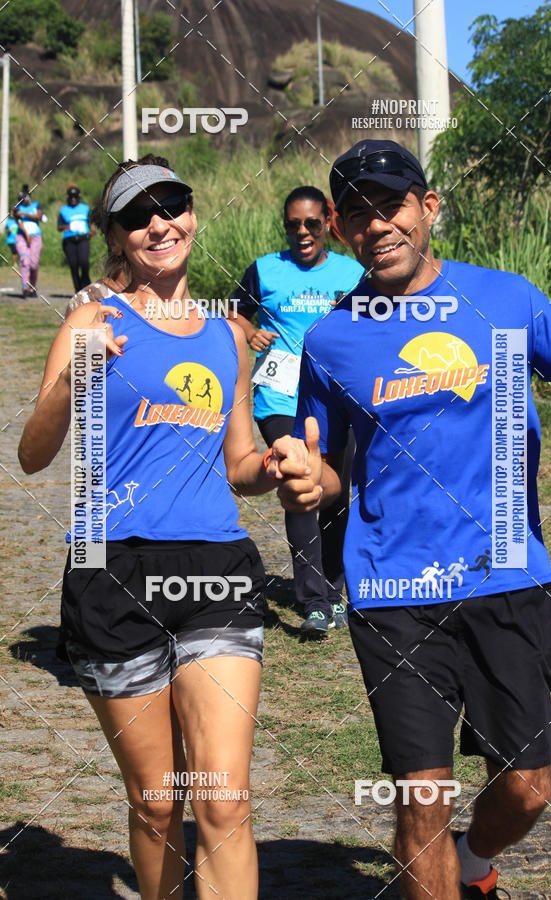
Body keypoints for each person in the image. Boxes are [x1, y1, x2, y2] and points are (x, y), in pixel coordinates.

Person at [279, 139, 551, 899]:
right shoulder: (330, 340)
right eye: (355, 212)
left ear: (427, 208)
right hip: (393, 590)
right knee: (422, 802)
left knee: (527, 788)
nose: (376, 224)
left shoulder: (507, 299)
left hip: (507, 575)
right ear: (339, 227)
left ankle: (476, 864)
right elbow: (325, 469)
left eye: (390, 204)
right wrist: (304, 481)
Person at [18, 154, 308, 900]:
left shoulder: (227, 336)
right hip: (112, 569)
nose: (159, 223)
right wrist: (77, 374)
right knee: (155, 803)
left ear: (192, 213)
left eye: (171, 204)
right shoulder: (92, 320)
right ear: (116, 237)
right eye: (138, 215)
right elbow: (33, 452)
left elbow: (238, 459)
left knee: (223, 798)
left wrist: (271, 466)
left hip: (217, 568)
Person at [229, 185, 363, 637]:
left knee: (335, 492)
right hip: (280, 395)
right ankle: (313, 600)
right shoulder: (265, 270)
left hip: (336, 399)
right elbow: (233, 312)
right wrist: (248, 331)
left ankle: (336, 589)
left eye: (311, 223)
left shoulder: (352, 272)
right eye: (292, 224)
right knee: (299, 479)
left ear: (328, 222)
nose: (301, 232)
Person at [57, 184, 95, 292]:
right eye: (71, 197)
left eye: (75, 197)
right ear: (68, 198)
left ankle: (86, 286)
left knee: (84, 262)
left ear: (78, 197)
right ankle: (77, 289)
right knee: (73, 265)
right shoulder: (64, 210)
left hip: (83, 238)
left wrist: (92, 229)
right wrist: (68, 227)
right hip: (69, 240)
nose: (73, 199)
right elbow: (59, 227)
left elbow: (90, 221)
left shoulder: (85, 208)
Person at [13, 184, 43, 297]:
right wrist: (26, 234)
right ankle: (25, 287)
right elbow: (18, 222)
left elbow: (39, 216)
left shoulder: (36, 205)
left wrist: (24, 213)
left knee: (33, 264)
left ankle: (33, 286)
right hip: (22, 236)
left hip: (36, 237)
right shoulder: (17, 208)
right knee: (25, 261)